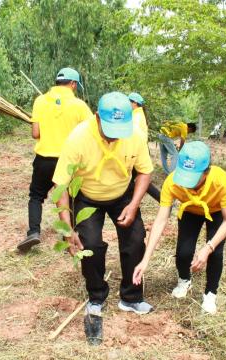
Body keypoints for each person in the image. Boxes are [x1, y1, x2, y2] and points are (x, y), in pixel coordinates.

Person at [53, 92, 154, 320]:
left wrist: (134, 204)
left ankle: (132, 297)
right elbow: (60, 185)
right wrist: (67, 230)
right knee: (90, 244)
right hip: (88, 196)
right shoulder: (78, 139)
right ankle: (97, 295)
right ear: (97, 118)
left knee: (136, 239)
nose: (114, 138)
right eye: (110, 131)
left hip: (122, 194)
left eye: (119, 132)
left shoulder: (135, 135)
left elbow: (145, 172)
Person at [133, 141, 226, 314]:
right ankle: (184, 280)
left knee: (216, 253)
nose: (188, 182)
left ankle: (211, 293)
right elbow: (160, 220)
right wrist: (145, 259)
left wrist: (208, 247)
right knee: (183, 252)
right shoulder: (172, 182)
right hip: (189, 209)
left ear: (206, 171)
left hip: (216, 211)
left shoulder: (220, 180)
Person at [17, 67, 92, 252]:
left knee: (36, 196)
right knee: (73, 198)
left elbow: (35, 133)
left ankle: (33, 232)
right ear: (73, 84)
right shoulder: (79, 106)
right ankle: (69, 238)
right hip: (69, 161)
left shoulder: (40, 101)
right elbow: (90, 133)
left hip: (44, 159)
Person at [128, 92, 161, 202]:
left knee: (140, 179)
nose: (127, 104)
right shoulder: (137, 114)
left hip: (137, 151)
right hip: (138, 150)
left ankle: (163, 200)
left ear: (135, 103)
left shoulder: (137, 117)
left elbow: (134, 136)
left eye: (129, 101)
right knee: (134, 179)